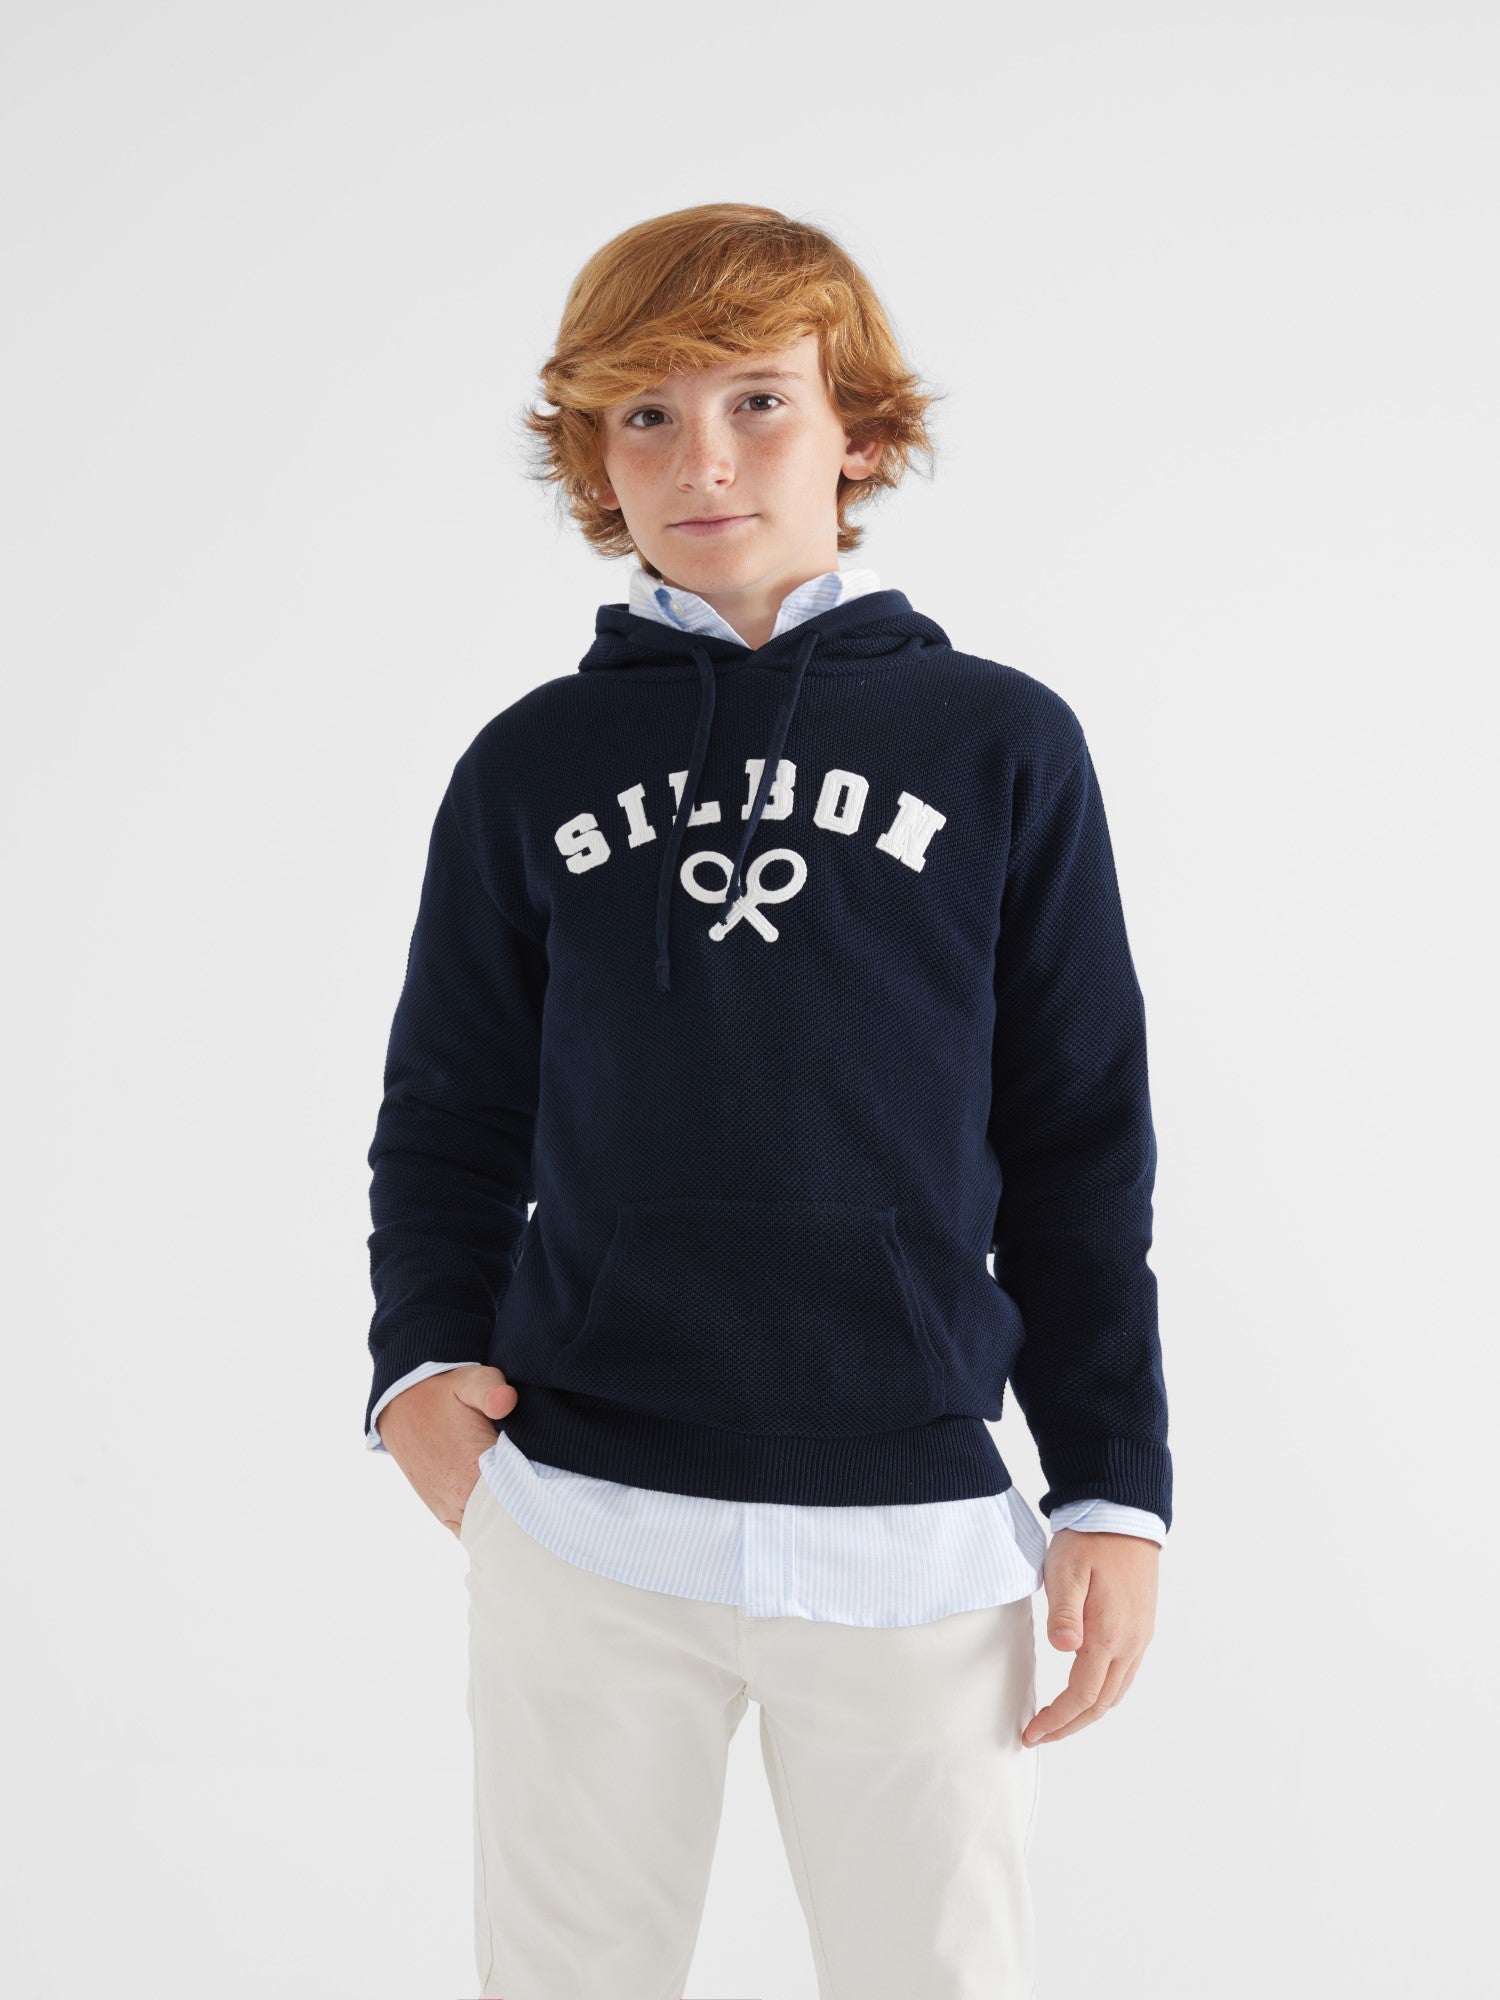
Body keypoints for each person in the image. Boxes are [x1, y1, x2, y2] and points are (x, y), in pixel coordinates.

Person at [364, 201, 1171, 2000]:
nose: (701, 459)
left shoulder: (1004, 744)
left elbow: (1077, 1142)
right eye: (644, 415)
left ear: (859, 432)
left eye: (757, 402)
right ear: (593, 456)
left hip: (913, 1532)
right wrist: (418, 1361)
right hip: (582, 1512)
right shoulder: (528, 763)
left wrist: (1115, 1487)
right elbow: (449, 1109)